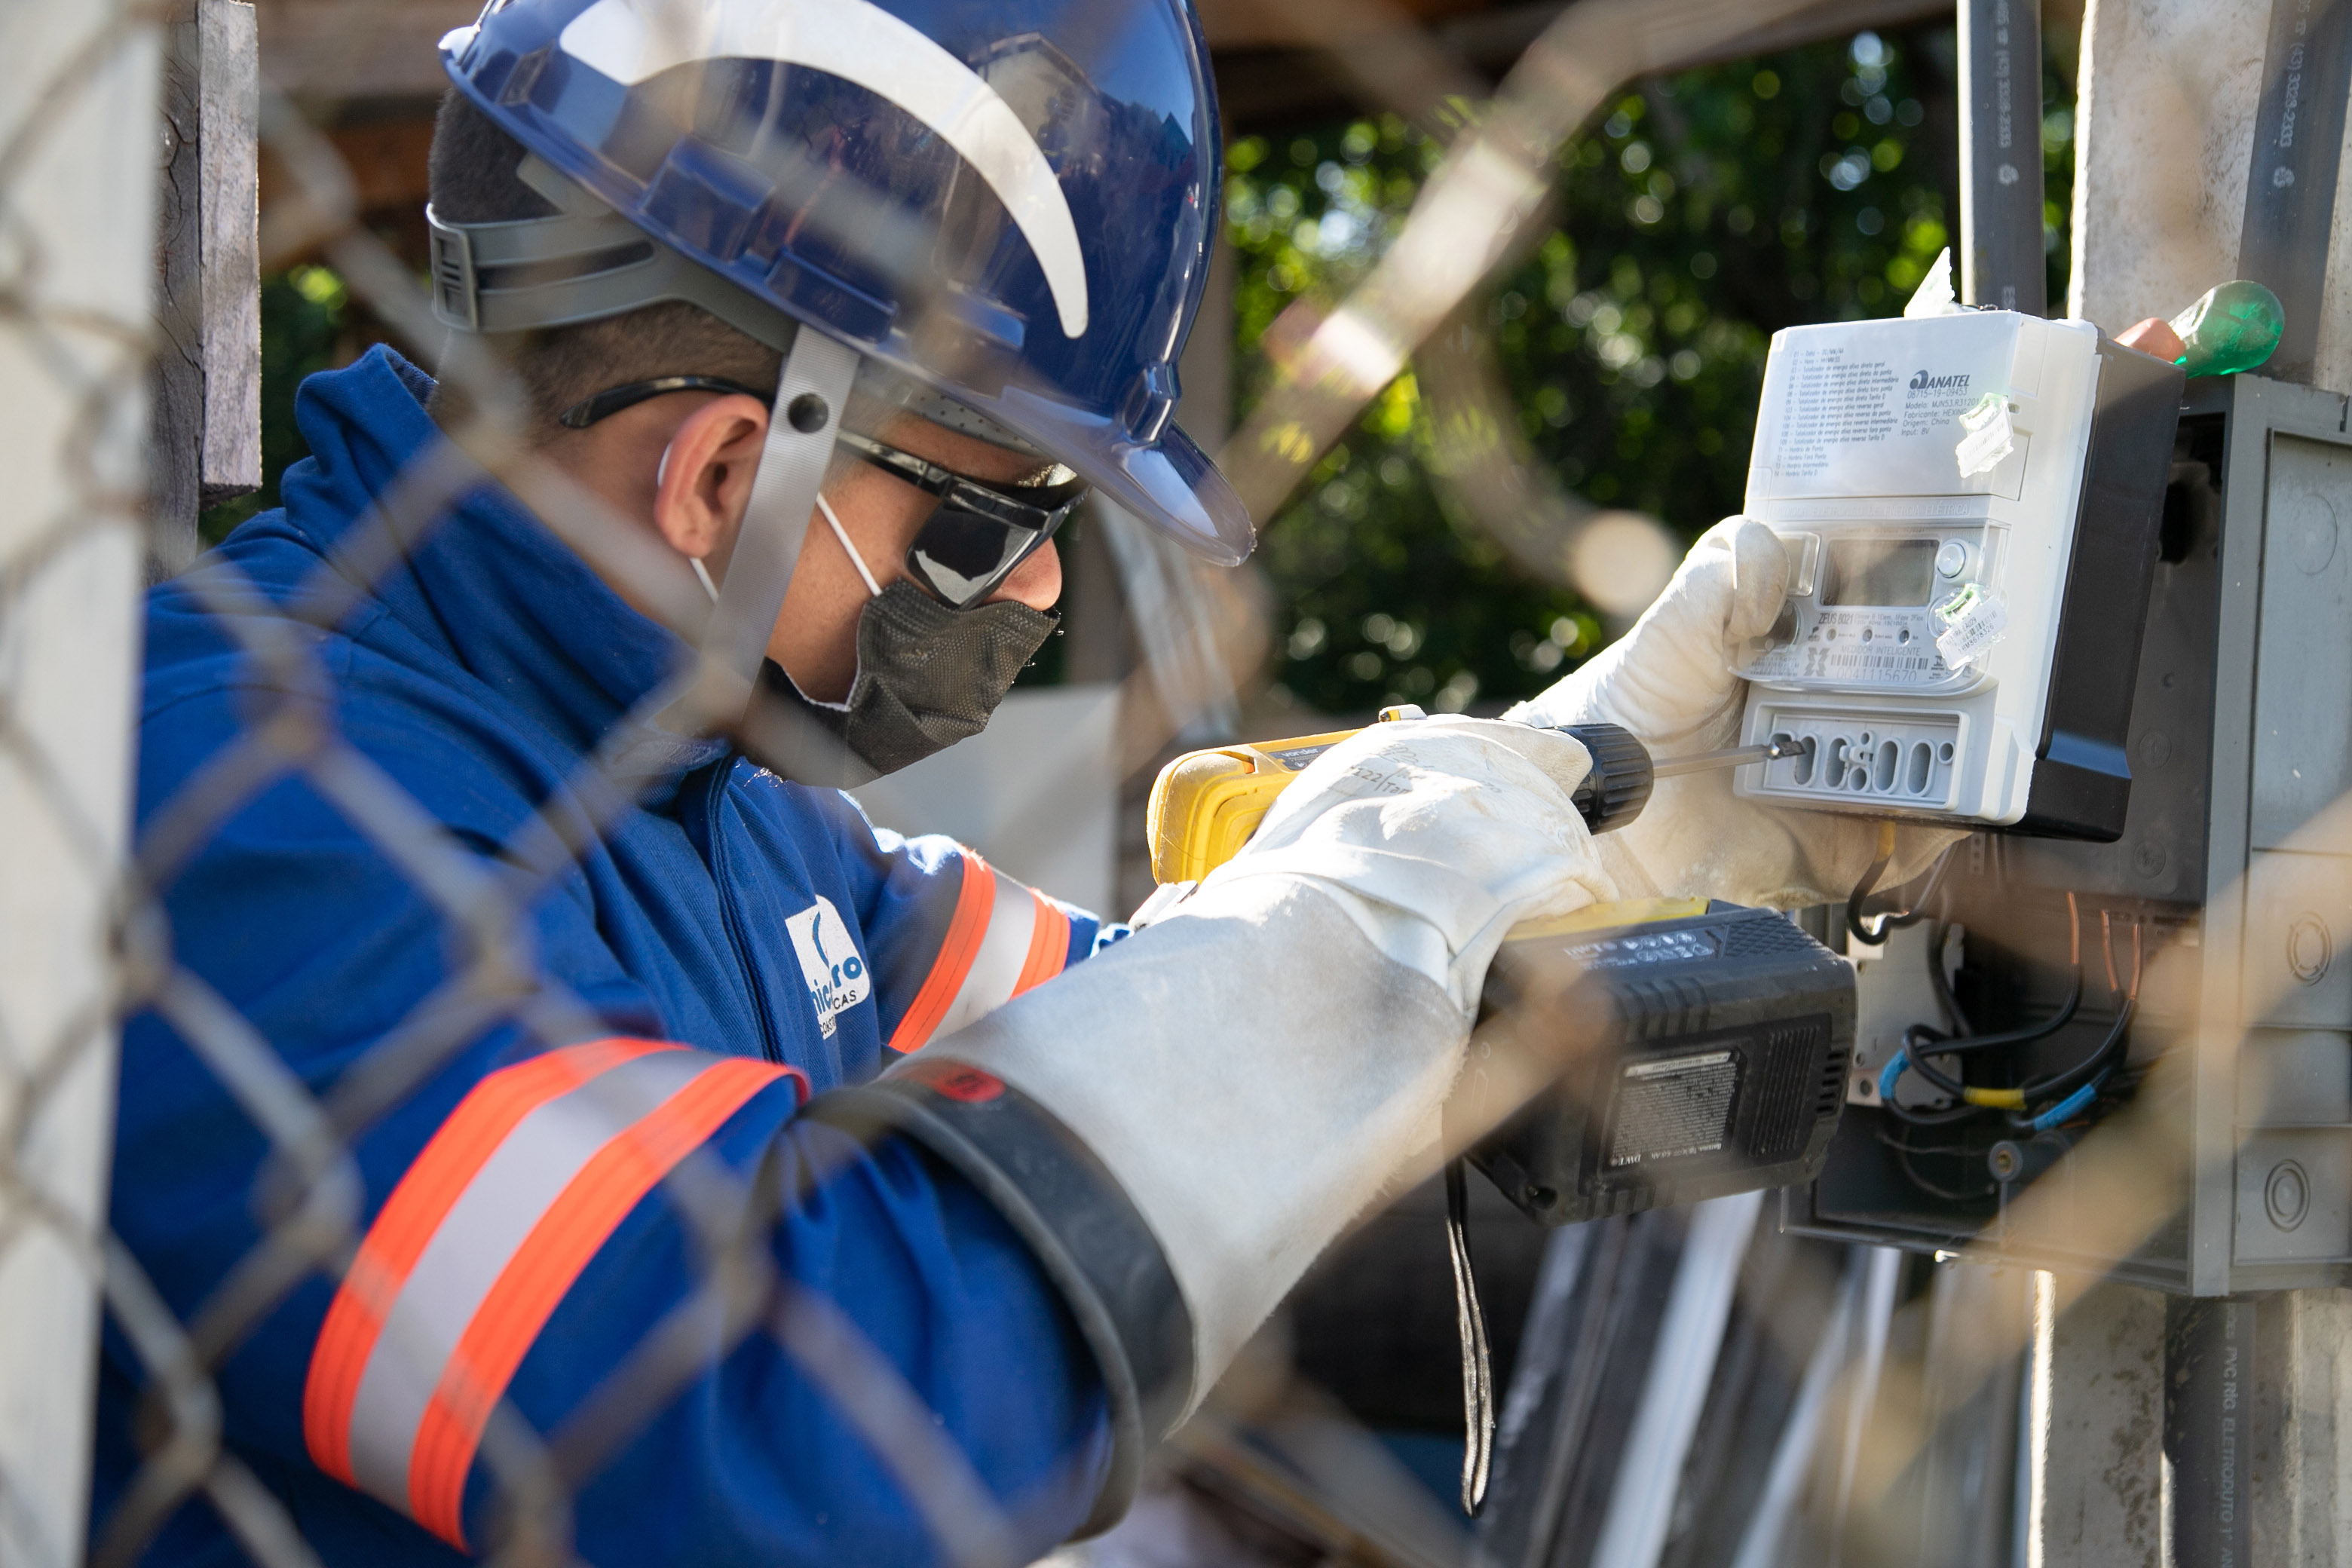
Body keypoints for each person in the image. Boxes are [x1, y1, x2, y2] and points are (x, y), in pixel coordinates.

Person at [97, 2, 1938, 1563]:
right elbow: (770, 1426)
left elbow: (1142, 1026)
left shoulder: (715, 803)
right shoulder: (244, 807)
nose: (1048, 595)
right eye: (1001, 518)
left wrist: (1595, 793)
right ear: (729, 475)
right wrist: (1343, 923)